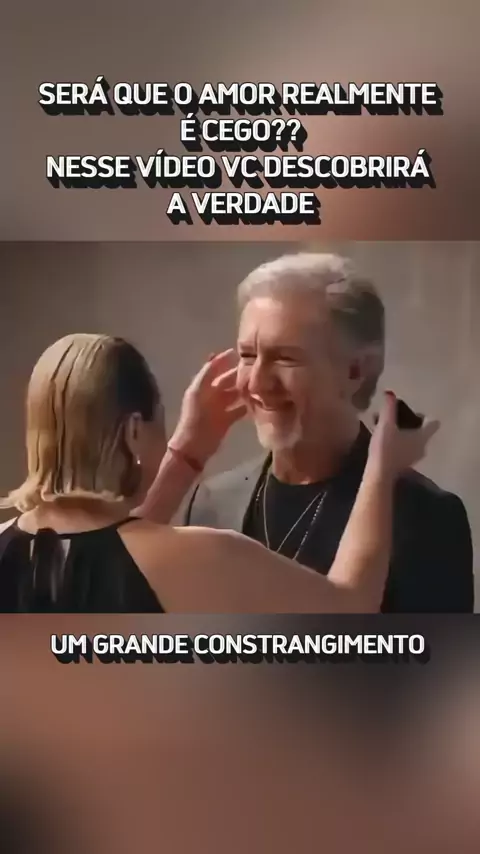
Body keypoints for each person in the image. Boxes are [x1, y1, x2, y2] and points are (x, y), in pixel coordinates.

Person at [0, 333, 437, 614]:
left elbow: (106, 554)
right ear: (134, 431)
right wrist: (382, 465)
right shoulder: (204, 556)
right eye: (160, 422)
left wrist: (189, 450)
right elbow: (350, 608)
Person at [185, 253, 474, 613]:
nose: (256, 383)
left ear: (355, 371)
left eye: (285, 358)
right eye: (248, 355)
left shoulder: (424, 516)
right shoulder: (212, 504)